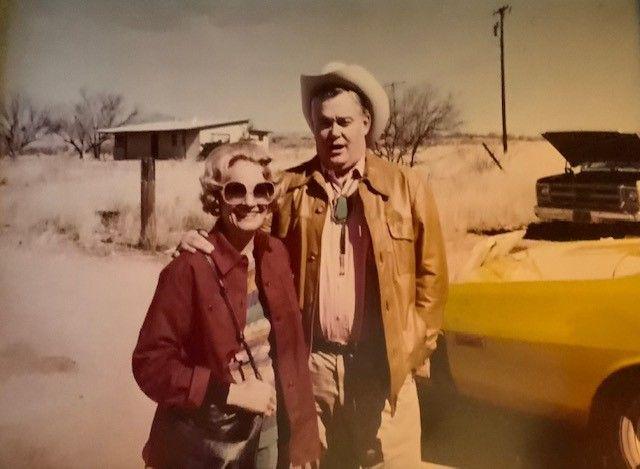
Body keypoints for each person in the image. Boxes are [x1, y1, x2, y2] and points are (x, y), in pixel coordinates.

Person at [179, 62, 448, 468]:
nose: (334, 133)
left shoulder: (408, 188)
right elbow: (242, 235)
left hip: (383, 369)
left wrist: (410, 350)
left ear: (365, 123)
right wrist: (203, 240)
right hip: (311, 369)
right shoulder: (288, 190)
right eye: (324, 123)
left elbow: (433, 281)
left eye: (344, 121)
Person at [132, 142, 321, 468]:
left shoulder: (276, 254)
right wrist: (230, 394)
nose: (250, 202)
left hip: (271, 434)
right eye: (235, 191)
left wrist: (304, 436)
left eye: (261, 190)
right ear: (215, 198)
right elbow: (150, 364)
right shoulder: (188, 268)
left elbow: (292, 351)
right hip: (214, 445)